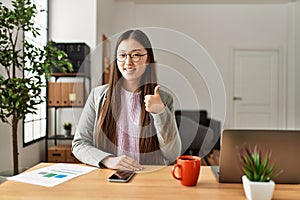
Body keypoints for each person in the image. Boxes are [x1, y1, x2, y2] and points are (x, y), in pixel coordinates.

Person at [72, 29, 181, 171]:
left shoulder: (163, 99)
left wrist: (160, 112)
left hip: (150, 179)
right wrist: (107, 160)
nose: (128, 62)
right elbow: (79, 144)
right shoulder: (97, 96)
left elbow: (172, 154)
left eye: (136, 55)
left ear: (148, 59)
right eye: (122, 55)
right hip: (109, 178)